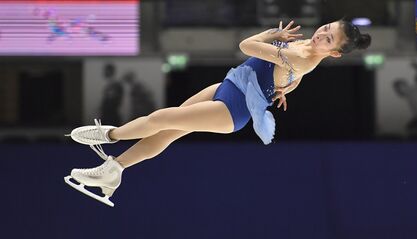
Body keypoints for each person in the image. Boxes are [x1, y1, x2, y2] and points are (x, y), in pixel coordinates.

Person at [64, 20, 371, 206]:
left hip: (231, 110)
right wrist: (283, 88)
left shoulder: (300, 56)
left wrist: (264, 37)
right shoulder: (306, 50)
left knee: (162, 118)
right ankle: (113, 171)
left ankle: (108, 135)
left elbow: (246, 46)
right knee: (168, 131)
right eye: (326, 28)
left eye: (328, 39)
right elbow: (295, 77)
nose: (320, 35)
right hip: (230, 86)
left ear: (334, 52)